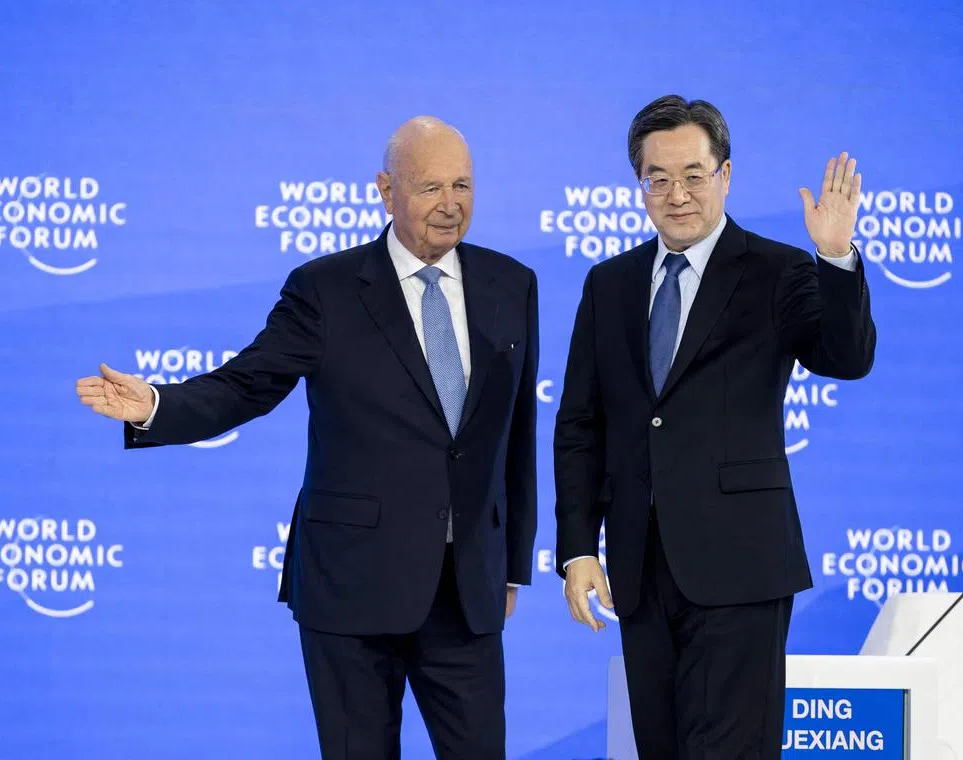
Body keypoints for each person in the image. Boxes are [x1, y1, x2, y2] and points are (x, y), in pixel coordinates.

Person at [75, 116, 539, 759]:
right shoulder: (325, 289)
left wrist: (511, 563)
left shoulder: (511, 283)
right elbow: (246, 385)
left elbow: (515, 433)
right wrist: (156, 405)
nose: (450, 204)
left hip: (465, 592)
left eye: (462, 185)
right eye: (430, 186)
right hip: (351, 587)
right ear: (386, 190)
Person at [553, 95, 876, 759]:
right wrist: (579, 547)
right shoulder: (608, 284)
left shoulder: (778, 270)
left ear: (725, 175)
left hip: (741, 566)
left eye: (694, 175)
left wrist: (836, 256)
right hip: (640, 571)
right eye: (659, 178)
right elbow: (581, 424)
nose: (677, 195)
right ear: (639, 183)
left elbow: (846, 359)